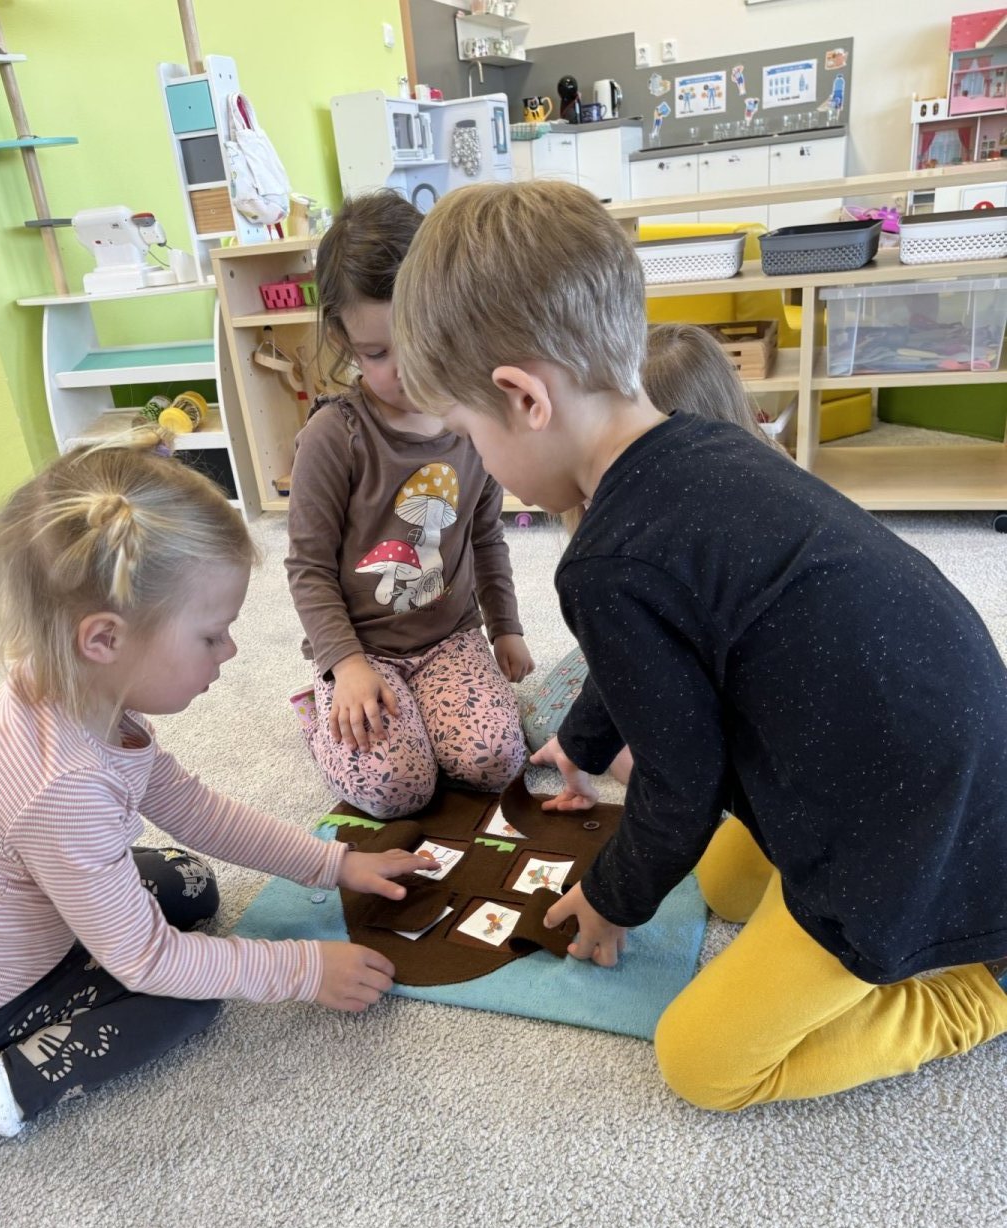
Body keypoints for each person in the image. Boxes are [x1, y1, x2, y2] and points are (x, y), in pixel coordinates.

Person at [390, 179, 1007, 1111]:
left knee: (703, 1064)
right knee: (723, 884)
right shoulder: (702, 443)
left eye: (469, 433)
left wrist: (612, 898)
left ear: (523, 399)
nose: (479, 458)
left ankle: (975, 995)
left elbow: (681, 787)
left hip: (901, 834)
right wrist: (584, 744)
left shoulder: (606, 562)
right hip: (936, 755)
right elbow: (664, 653)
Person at [0, 434, 436, 1160]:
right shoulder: (60, 785)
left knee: (189, 884)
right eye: (211, 635)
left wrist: (336, 864)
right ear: (103, 639)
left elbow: (193, 808)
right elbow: (146, 961)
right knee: (183, 999)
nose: (230, 652)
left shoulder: (70, 688)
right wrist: (301, 969)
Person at [286, 190, 533, 822]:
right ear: (343, 339)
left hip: (449, 637)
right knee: (396, 789)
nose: (405, 369)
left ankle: (423, 710)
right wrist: (345, 665)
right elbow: (308, 567)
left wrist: (504, 626)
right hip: (362, 648)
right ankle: (316, 712)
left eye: (421, 340)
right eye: (377, 353)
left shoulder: (476, 422)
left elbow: (486, 535)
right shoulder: (333, 436)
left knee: (496, 761)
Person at [522, 323, 783, 782]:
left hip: (740, 685)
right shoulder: (764, 467)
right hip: (686, 650)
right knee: (571, 721)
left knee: (586, 731)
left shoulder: (645, 520)